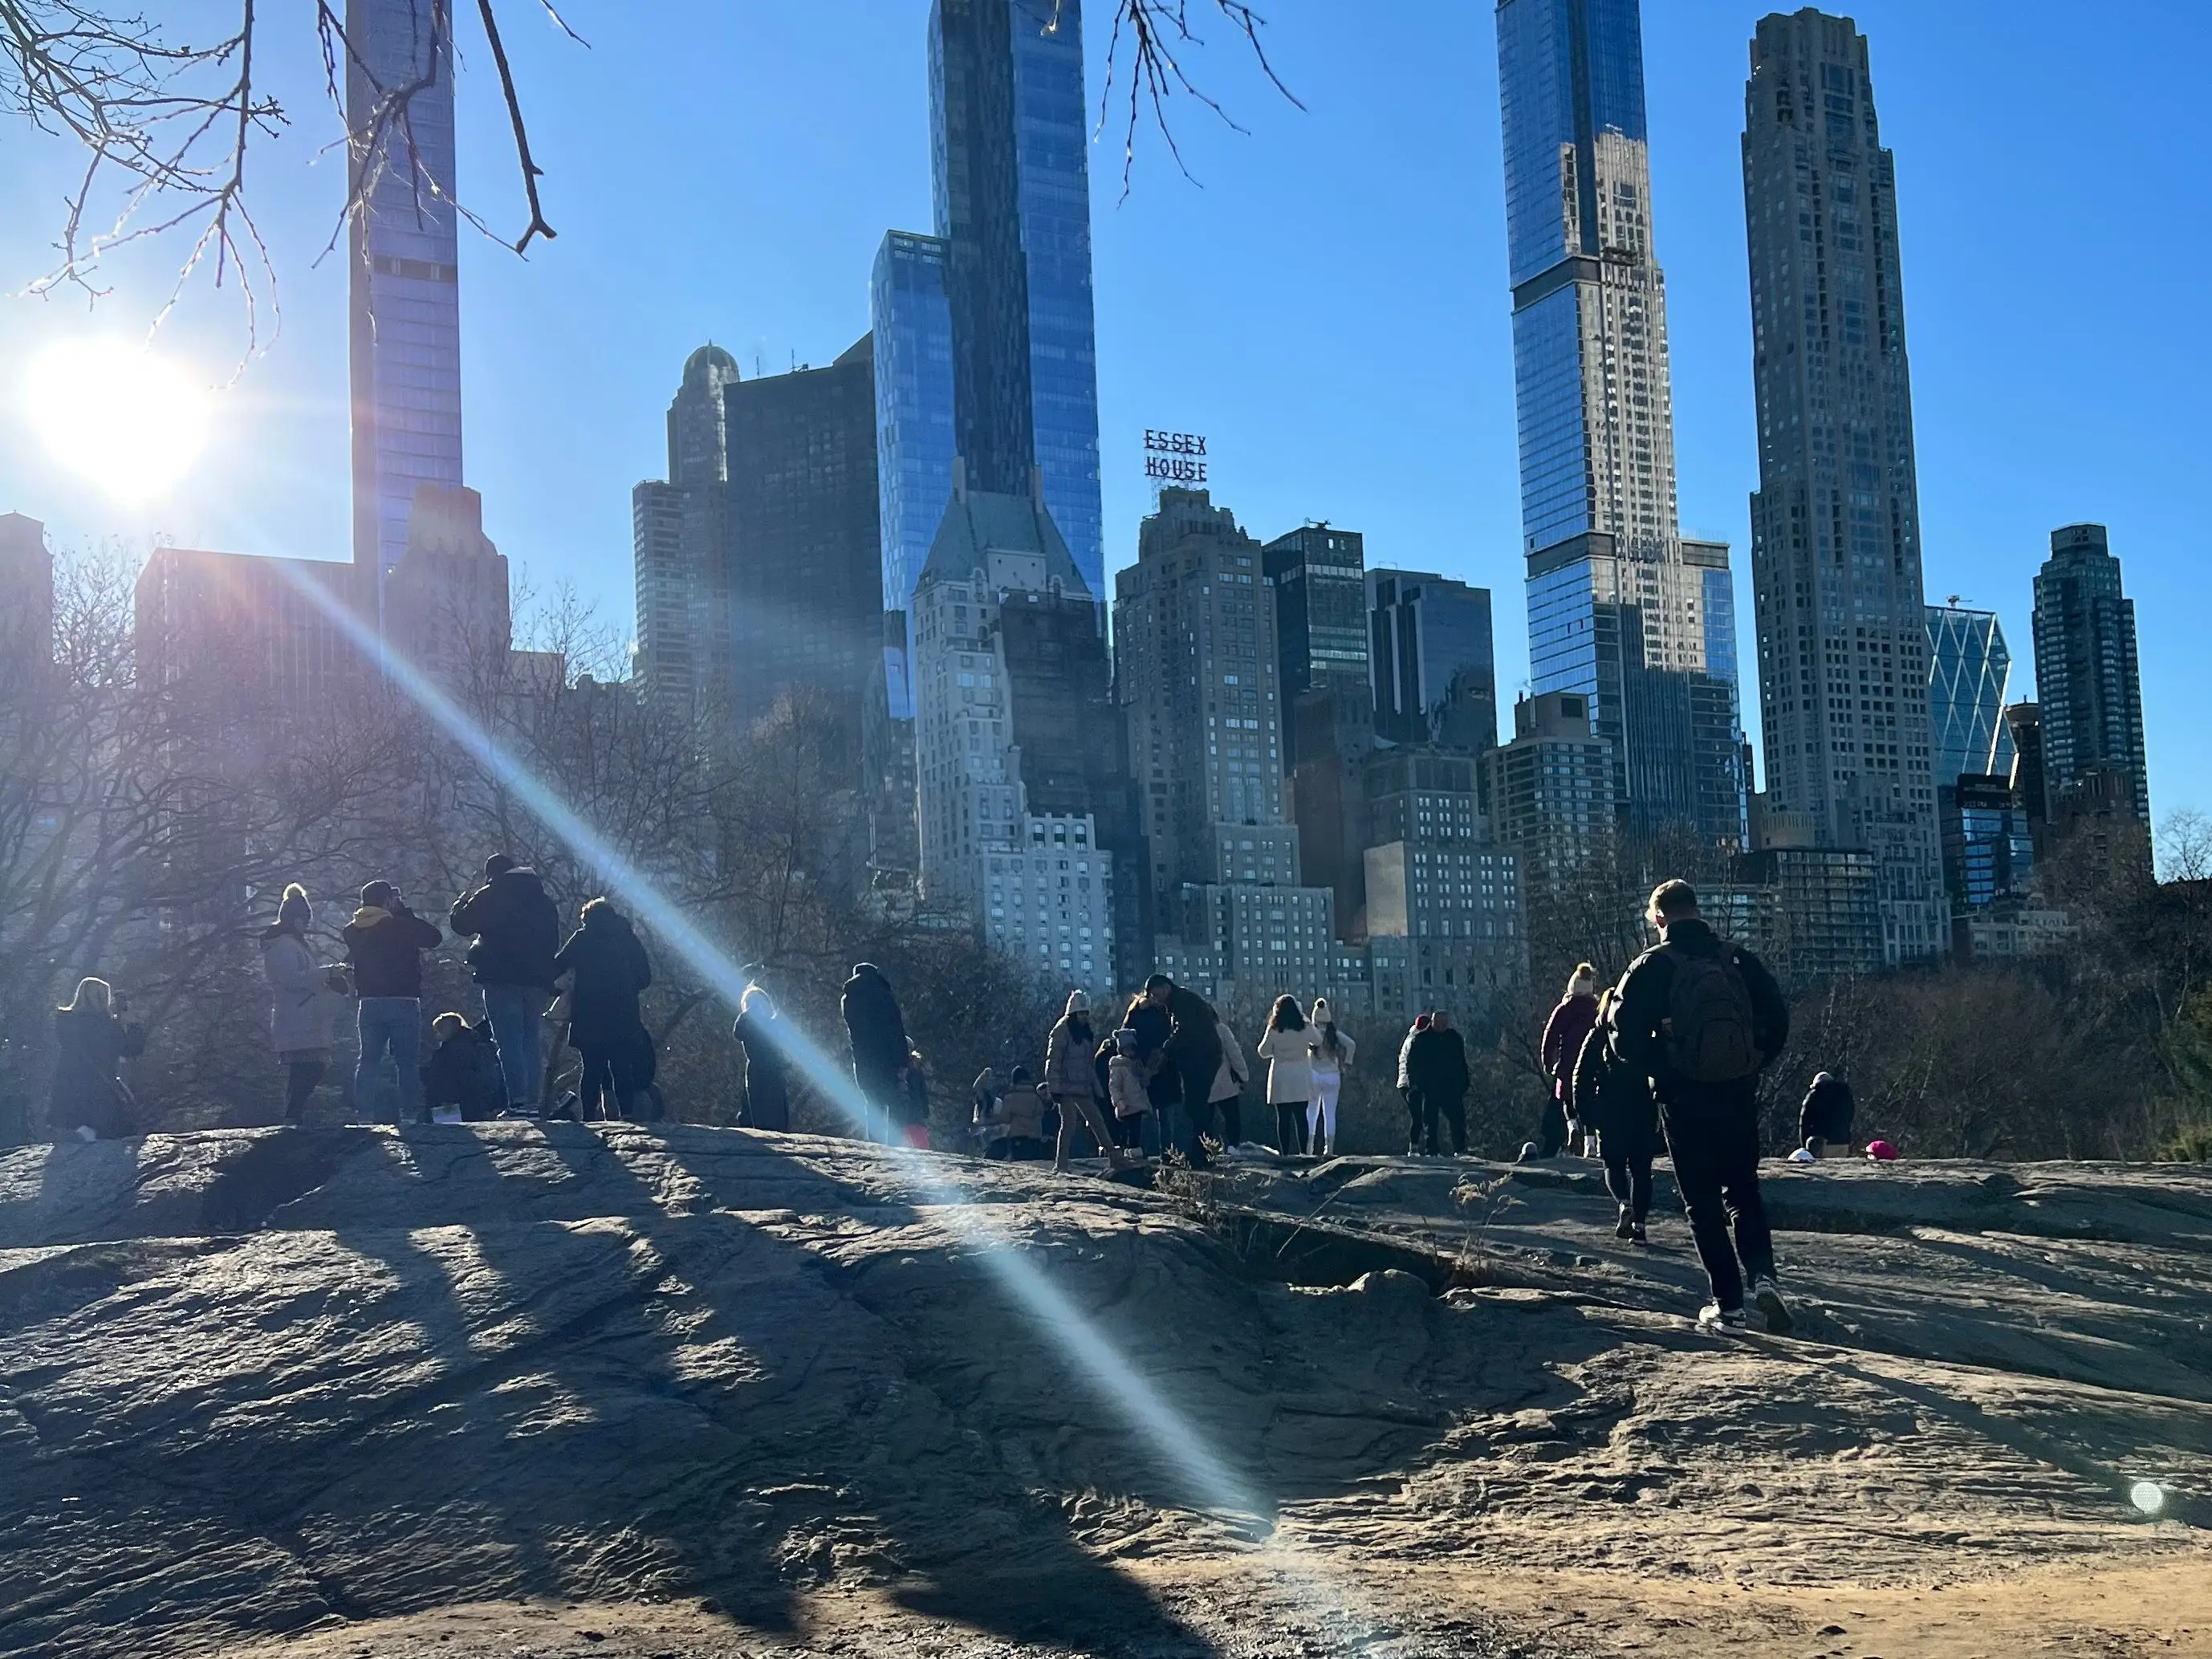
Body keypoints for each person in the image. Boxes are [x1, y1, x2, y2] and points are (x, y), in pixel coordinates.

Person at [1612, 879, 1793, 1333]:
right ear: (1697, 910)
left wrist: (1665, 1065)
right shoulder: (1736, 959)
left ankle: (1728, 1306)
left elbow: (1621, 1037)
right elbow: (1778, 1017)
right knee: (1744, 1190)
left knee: (1701, 1202)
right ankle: (1764, 1278)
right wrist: (1751, 1063)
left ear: (1659, 919)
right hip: (1737, 1091)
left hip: (1682, 1097)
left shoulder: (1652, 966)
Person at [449, 854, 562, 1119]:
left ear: (493, 875)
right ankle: (534, 1104)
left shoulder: (491, 894)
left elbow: (462, 925)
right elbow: (553, 941)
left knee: (508, 1042)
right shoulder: (543, 901)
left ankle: (519, 1103)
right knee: (531, 1041)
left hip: (500, 977)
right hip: (537, 981)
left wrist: (460, 904)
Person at [343, 880, 442, 1124]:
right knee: (406, 1062)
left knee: (368, 1060)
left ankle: (364, 1115)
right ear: (388, 901)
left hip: (369, 1003)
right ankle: (409, 1115)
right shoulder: (400, 926)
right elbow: (434, 937)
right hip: (403, 1000)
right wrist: (405, 912)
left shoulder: (352, 930)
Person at [552, 898, 653, 1121]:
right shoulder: (628, 939)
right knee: (622, 1066)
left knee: (591, 1069)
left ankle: (589, 1116)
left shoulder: (582, 938)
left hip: (588, 1013)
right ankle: (626, 1114)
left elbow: (557, 966)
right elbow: (645, 977)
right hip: (623, 1013)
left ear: (587, 917)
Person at [1572, 988, 1658, 1242]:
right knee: (1642, 1170)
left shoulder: (1598, 1035)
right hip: (1643, 1108)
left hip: (1610, 1110)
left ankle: (1623, 1204)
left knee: (1613, 1164)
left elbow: (1581, 1074)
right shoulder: (1644, 1033)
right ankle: (1640, 1227)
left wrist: (1584, 1110)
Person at [261, 884, 348, 1124]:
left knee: (306, 1069)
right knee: (310, 1068)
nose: (308, 924)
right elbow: (291, 979)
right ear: (296, 919)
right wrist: (327, 974)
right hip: (297, 1016)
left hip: (302, 1015)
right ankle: (292, 1115)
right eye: (305, 919)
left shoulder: (289, 944)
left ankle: (293, 1115)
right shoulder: (284, 945)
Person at [1136, 974, 1223, 1167]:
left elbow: (1184, 1032)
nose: (1155, 1000)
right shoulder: (1182, 1001)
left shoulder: (1182, 1003)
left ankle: (1202, 1152)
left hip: (1200, 1060)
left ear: (1165, 987)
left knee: (1195, 1105)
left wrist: (1167, 1049)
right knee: (1198, 1106)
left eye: (1156, 994)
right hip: (1202, 1059)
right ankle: (1204, 1150)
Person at [1047, 991, 1133, 1173]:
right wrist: (1055, 1089)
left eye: (1086, 1013)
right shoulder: (1061, 1030)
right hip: (1065, 1087)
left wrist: (1098, 1089)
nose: (1085, 1017)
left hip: (1081, 1086)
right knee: (1068, 1125)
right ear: (1073, 1013)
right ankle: (1061, 1165)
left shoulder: (1085, 1033)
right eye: (1082, 1013)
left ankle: (1114, 1156)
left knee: (1097, 1121)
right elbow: (1053, 1061)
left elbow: (1088, 1064)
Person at [49, 977, 144, 1142]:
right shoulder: (106, 1026)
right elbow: (131, 1050)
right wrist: (132, 1025)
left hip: (68, 1091)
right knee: (113, 1139)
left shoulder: (65, 1022)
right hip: (101, 1093)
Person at [1535, 963, 1602, 1159]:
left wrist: (1549, 1062)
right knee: (1589, 1100)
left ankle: (1572, 1125)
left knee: (1566, 1099)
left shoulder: (1565, 1009)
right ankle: (1591, 1142)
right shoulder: (1597, 1009)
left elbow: (1551, 1037)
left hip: (1568, 1063)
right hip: (1594, 1064)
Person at [841, 963, 910, 1143]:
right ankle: (892, 1148)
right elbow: (896, 1030)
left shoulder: (848, 999)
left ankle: (874, 1146)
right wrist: (902, 1060)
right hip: (888, 1060)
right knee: (893, 1105)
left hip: (863, 1061)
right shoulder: (884, 996)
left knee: (871, 1105)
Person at [1256, 994, 1318, 1155]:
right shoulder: (1304, 1026)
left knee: (1283, 1118)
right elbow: (1317, 1040)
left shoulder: (1275, 1028)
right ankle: (1304, 1152)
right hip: (1301, 1075)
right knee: (1301, 1117)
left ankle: (1284, 1153)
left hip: (1281, 1075)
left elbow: (1263, 1051)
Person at [1405, 1009, 1470, 1156]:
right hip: (1430, 1086)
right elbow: (1412, 1064)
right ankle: (1432, 1150)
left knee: (1457, 1119)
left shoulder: (1453, 1038)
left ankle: (1460, 1149)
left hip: (1451, 1086)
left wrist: (1464, 1083)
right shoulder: (1421, 1039)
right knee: (1430, 1120)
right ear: (1432, 1022)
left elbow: (1461, 1062)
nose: (1441, 1027)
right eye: (1438, 1024)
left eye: (1444, 1024)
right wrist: (1415, 1084)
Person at [421, 1012, 504, 1124]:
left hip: (450, 1106)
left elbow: (438, 1082)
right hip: (479, 1104)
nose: (437, 1036)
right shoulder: (479, 1047)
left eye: (438, 1031)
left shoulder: (444, 1054)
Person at [731, 984, 791, 1132]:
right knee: (767, 1110)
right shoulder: (762, 1022)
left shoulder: (754, 1021)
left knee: (759, 1107)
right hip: (767, 1069)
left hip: (764, 1069)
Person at [1307, 998, 1356, 1158]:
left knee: (1311, 1113)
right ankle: (1329, 1150)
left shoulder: (1310, 1033)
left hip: (1313, 1074)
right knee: (1330, 1114)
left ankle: (1308, 1149)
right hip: (1332, 1076)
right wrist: (1347, 1063)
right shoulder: (1333, 1033)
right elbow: (1351, 1045)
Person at [1106, 1027, 1158, 1159]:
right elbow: (1114, 1086)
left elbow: (1141, 1083)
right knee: (1127, 1130)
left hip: (1137, 1104)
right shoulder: (1118, 1066)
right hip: (1126, 1105)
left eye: (1132, 1049)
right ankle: (1128, 1150)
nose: (1130, 1052)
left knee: (1136, 1130)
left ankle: (1133, 1150)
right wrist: (1119, 1101)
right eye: (1127, 1049)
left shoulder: (1136, 1065)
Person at [984, 1066, 1048, 1161]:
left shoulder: (1010, 1098)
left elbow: (1004, 1119)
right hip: (1035, 1140)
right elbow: (1040, 1115)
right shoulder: (1036, 1099)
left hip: (1018, 1140)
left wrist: (988, 1120)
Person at [1793, 1070, 1856, 1161]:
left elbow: (1804, 1123)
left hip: (1821, 1143)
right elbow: (1850, 1117)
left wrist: (1805, 1146)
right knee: (1838, 1171)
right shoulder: (1845, 1095)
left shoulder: (1814, 1096)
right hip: (1843, 1141)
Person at [1209, 1015, 1250, 1148]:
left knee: (1204, 1121)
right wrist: (1243, 1075)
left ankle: (1205, 1149)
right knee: (1232, 1117)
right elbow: (1234, 1054)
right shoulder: (1221, 1030)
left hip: (1201, 1084)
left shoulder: (1189, 1032)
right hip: (1224, 1081)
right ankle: (1232, 1146)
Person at [1397, 1013, 1430, 1155]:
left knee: (1420, 1115)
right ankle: (1414, 1148)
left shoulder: (1412, 1038)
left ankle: (1417, 1147)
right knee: (1417, 1116)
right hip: (1409, 1083)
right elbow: (1413, 1064)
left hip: (1407, 1082)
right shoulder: (1415, 1041)